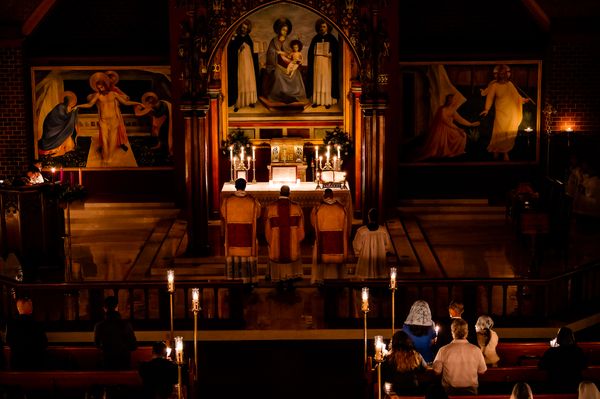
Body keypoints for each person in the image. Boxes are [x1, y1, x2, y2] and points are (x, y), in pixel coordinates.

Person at [76, 72, 142, 163]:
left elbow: (126, 103)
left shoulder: (114, 94)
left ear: (105, 85)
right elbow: (89, 104)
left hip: (114, 120)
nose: (100, 89)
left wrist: (137, 103)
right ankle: (106, 156)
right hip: (103, 120)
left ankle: (109, 157)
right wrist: (77, 106)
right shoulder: (98, 95)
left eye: (101, 87)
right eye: (98, 88)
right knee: (104, 140)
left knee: (112, 140)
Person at [480, 64, 530, 161]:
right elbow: (490, 98)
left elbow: (516, 96)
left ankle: (505, 152)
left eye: (504, 73)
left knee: (508, 133)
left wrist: (523, 100)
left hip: (510, 113)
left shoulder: (510, 85)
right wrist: (486, 109)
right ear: (498, 75)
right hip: (500, 112)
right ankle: (496, 150)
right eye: (500, 73)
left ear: (506, 74)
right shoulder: (494, 86)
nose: (502, 75)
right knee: (499, 132)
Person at [414, 93, 480, 161]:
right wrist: (458, 129)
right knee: (438, 147)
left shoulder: (452, 110)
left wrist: (470, 124)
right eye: (449, 99)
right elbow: (446, 122)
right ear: (447, 100)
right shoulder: (442, 109)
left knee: (463, 135)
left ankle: (456, 151)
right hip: (441, 129)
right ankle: (446, 152)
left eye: (452, 99)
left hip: (450, 128)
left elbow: (460, 119)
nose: (450, 101)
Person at [220, 178, 261, 283]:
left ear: (235, 186)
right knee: (247, 256)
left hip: (232, 236)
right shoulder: (252, 201)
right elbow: (258, 214)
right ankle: (249, 281)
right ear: (245, 186)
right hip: (248, 236)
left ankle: (233, 280)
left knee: (233, 257)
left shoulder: (227, 201)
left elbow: (224, 215)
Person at [432, 318, 487, 395]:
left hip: (449, 391)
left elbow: (437, 371)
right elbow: (482, 371)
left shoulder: (443, 350)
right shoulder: (476, 350)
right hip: (471, 391)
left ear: (452, 332)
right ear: (466, 332)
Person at [264, 185, 305, 283]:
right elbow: (301, 228)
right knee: (292, 250)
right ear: (289, 193)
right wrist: (297, 240)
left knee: (276, 250)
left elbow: (266, 228)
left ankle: (277, 278)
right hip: (292, 244)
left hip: (275, 243)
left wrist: (271, 241)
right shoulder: (296, 207)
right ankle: (291, 277)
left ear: (280, 192)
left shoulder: (271, 207)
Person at [263, 17, 307, 104]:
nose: (284, 32)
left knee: (296, 73)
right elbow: (270, 53)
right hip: (277, 65)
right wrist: (277, 53)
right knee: (277, 74)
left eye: (286, 30)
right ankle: (281, 95)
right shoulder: (274, 41)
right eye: (283, 30)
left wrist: (286, 55)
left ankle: (293, 95)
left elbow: (292, 52)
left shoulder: (289, 40)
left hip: (288, 64)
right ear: (279, 29)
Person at [310, 188, 348, 284]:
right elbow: (346, 226)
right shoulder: (341, 208)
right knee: (336, 264)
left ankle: (321, 280)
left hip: (323, 239)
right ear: (332, 196)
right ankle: (339, 280)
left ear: (324, 196)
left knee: (323, 263)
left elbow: (314, 224)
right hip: (338, 240)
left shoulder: (318, 208)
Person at [94, 295, 138, 369]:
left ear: (104, 308)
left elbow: (97, 344)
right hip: (124, 362)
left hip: (107, 362)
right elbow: (133, 346)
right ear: (117, 307)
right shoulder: (126, 325)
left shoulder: (99, 326)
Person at [539, 326, 587, 392]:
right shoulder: (578, 351)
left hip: (555, 385)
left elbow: (541, 366)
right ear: (572, 338)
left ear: (559, 338)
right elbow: (584, 366)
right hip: (574, 385)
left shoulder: (551, 352)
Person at [5, 296, 48, 370]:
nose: (32, 307)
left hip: (17, 364)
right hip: (36, 364)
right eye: (30, 304)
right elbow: (44, 343)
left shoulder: (11, 325)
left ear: (18, 308)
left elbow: (9, 341)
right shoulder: (36, 324)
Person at [382, 330, 428, 395]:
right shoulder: (416, 355)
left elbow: (384, 373)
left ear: (393, 342)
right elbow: (424, 369)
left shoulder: (390, 357)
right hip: (414, 390)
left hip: (395, 391)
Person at [227, 19, 259, 112]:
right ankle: (238, 103)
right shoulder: (236, 38)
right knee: (241, 81)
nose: (243, 29)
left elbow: (253, 51)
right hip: (240, 63)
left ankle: (250, 101)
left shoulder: (249, 38)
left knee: (249, 80)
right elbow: (232, 51)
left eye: (245, 28)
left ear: (248, 29)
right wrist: (238, 49)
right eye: (242, 27)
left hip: (249, 63)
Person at [307, 18, 339, 108]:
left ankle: (327, 102)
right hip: (317, 62)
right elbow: (310, 52)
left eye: (324, 26)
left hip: (327, 62)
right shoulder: (315, 38)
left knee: (326, 81)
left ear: (327, 28)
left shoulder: (332, 38)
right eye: (320, 27)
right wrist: (314, 51)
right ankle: (317, 101)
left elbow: (336, 51)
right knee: (317, 81)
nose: (322, 28)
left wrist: (330, 54)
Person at [352, 208, 393, 279]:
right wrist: (381, 251)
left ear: (368, 217)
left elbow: (357, 246)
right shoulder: (383, 231)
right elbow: (388, 246)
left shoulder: (361, 231)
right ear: (377, 217)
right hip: (379, 261)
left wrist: (362, 252)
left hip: (365, 261)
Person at [38, 91, 79, 157]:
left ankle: (61, 150)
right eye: (69, 102)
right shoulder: (60, 106)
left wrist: (72, 112)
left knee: (65, 131)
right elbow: (62, 117)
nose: (70, 103)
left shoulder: (65, 107)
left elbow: (65, 118)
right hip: (52, 127)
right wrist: (73, 113)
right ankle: (59, 150)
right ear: (66, 101)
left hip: (57, 126)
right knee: (65, 130)